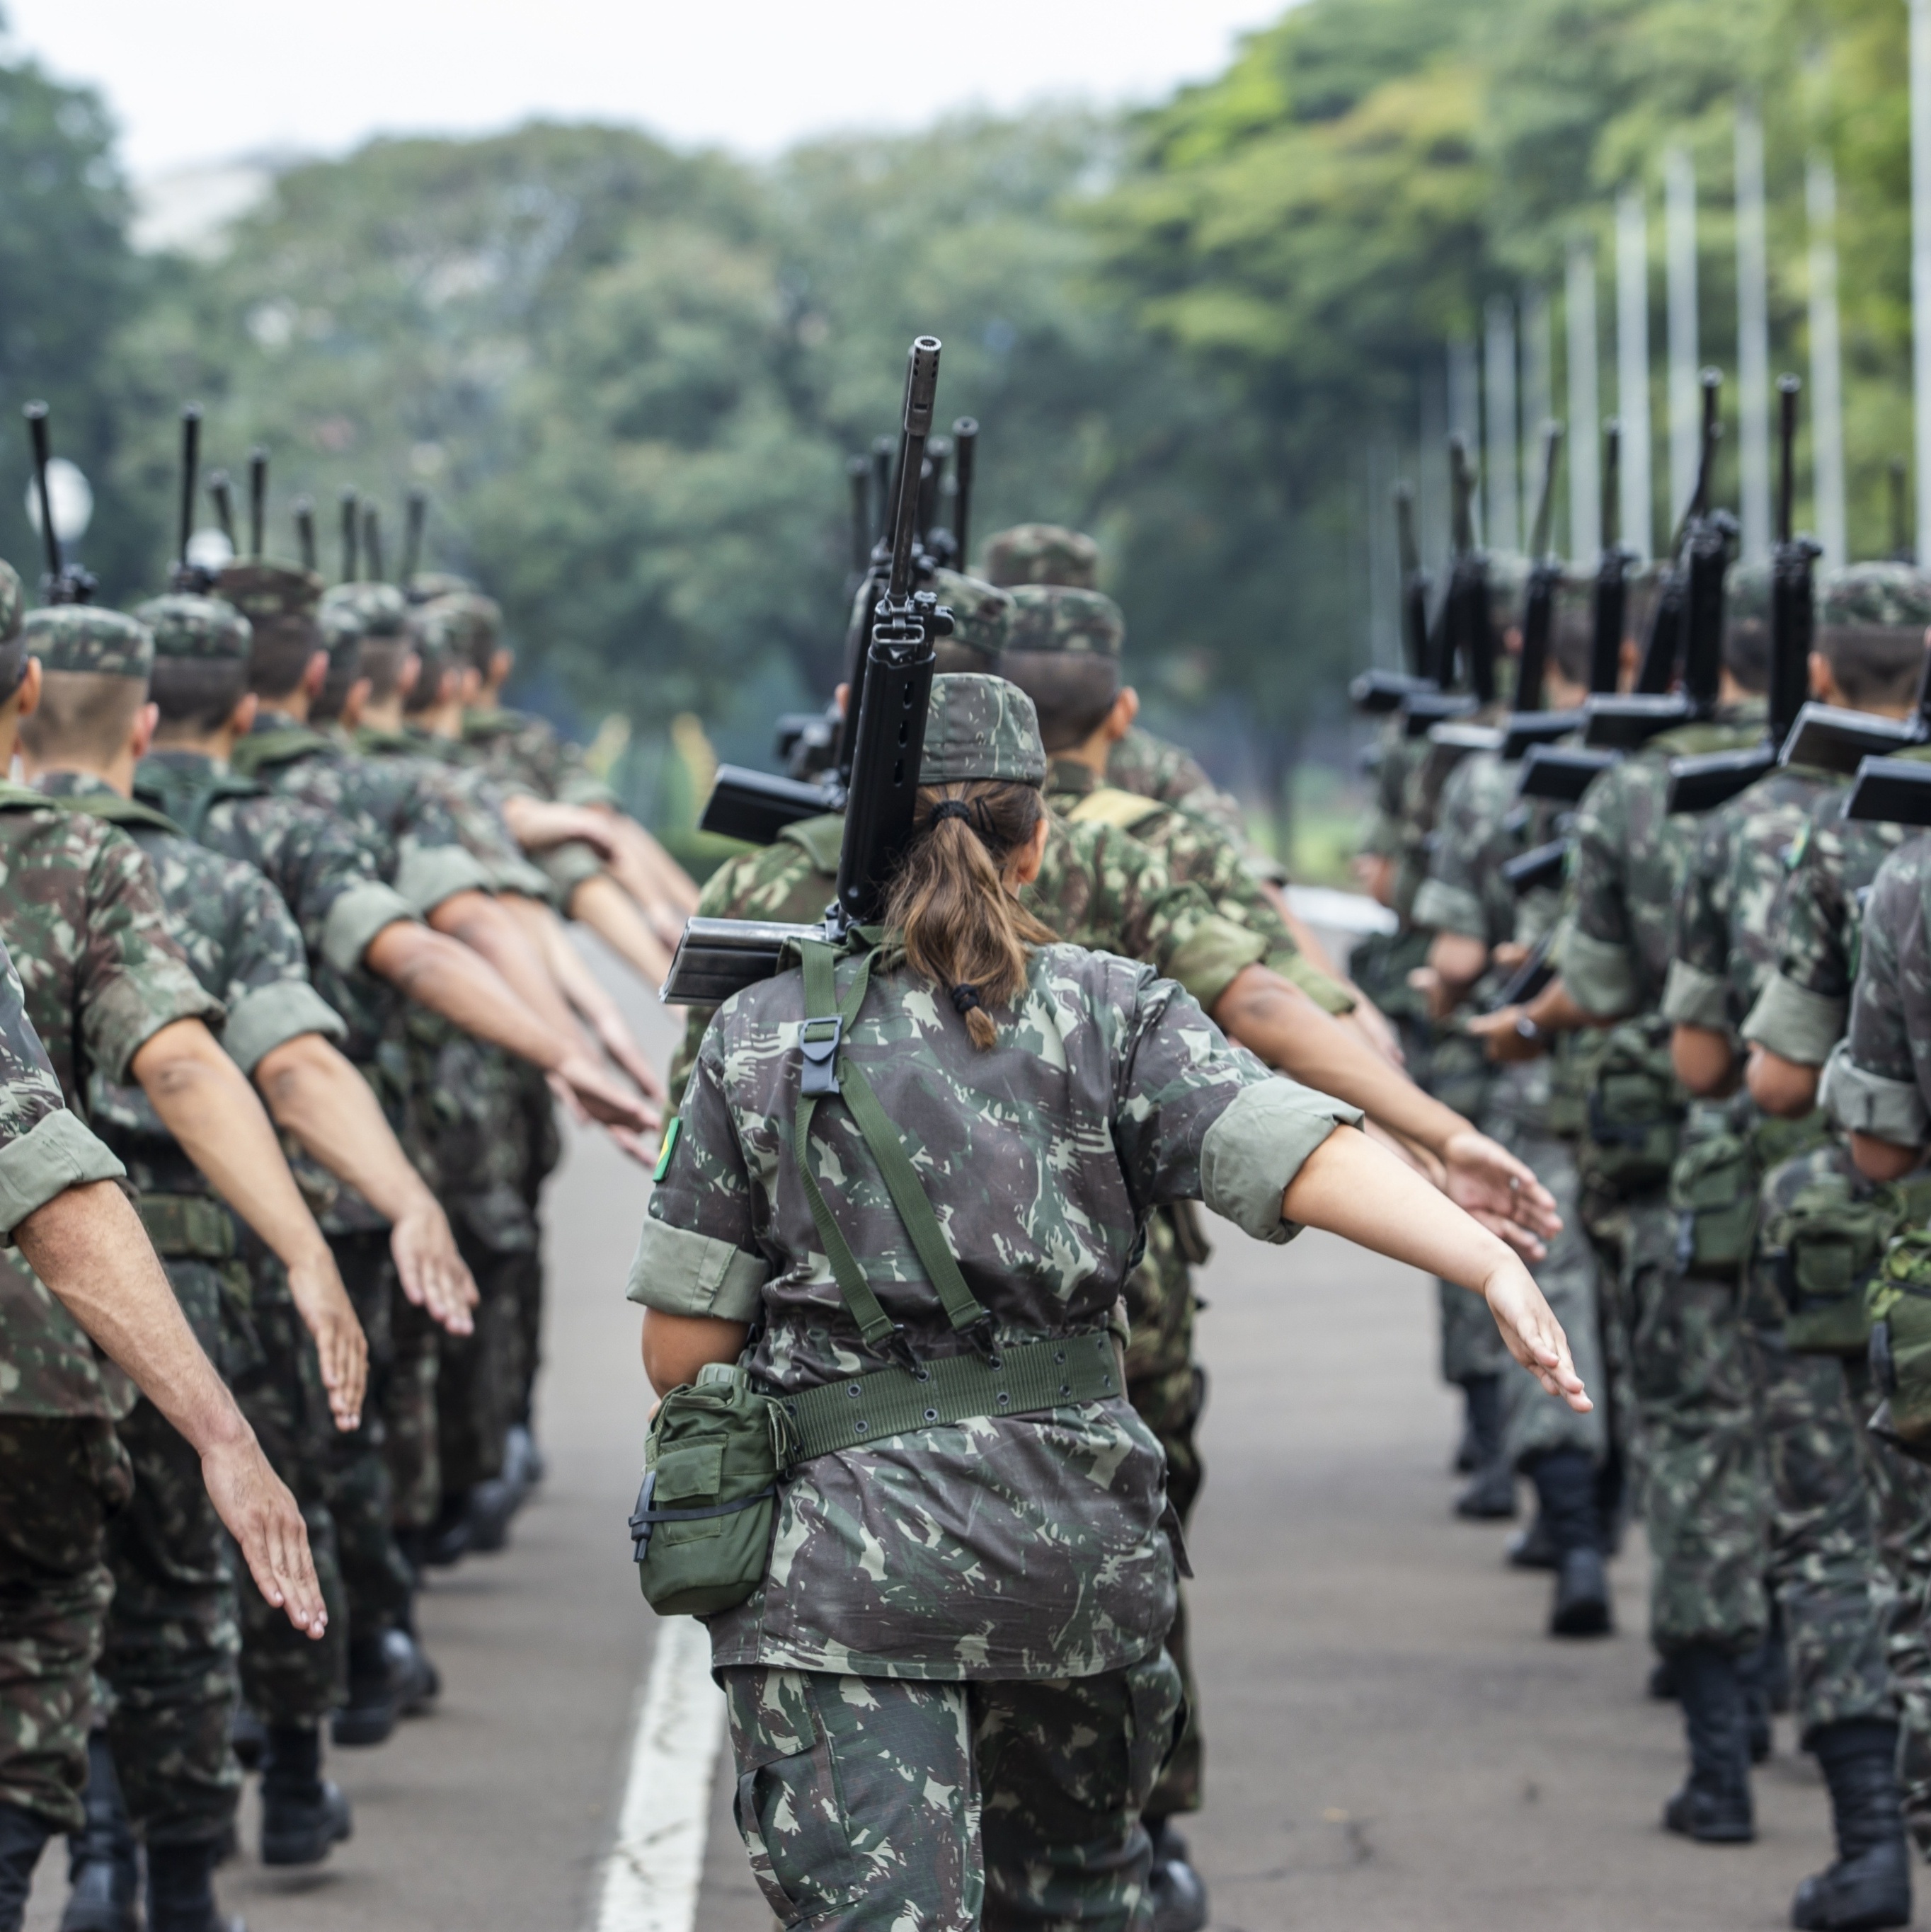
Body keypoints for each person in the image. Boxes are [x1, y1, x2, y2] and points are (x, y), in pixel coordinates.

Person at [631, 674, 1588, 1930]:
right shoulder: (1114, 1009)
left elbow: (680, 1351)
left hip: (842, 1590)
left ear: (856, 839)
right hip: (1069, 1562)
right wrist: (1484, 1258)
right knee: (1072, 1905)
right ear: (1037, 848)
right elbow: (1285, 1144)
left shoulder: (755, 1034)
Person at [0, 582, 323, 1932]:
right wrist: (228, 1419)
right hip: (58, 1349)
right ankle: (157, 1872)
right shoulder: (90, 863)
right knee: (110, 1612)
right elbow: (166, 1076)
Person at [1472, 563, 1778, 1841]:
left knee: (1701, 1431)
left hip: (1679, 1165)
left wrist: (1518, 1021)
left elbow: (1592, 985)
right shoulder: (1856, 807)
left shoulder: (1638, 795)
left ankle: (1725, 1750)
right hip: (1843, 1185)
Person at [1659, 563, 1931, 1928]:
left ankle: (1877, 1844)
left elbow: (1750, 1077)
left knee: (1845, 1536)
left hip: (1852, 1236)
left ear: (1824, 675)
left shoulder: (1856, 849)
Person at [1410, 571, 1617, 1628]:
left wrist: (1451, 984)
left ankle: (1571, 1528)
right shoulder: (1662, 772)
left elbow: (1447, 956)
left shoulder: (1486, 780)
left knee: (1554, 1281)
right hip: (1655, 1086)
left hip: (1535, 1074)